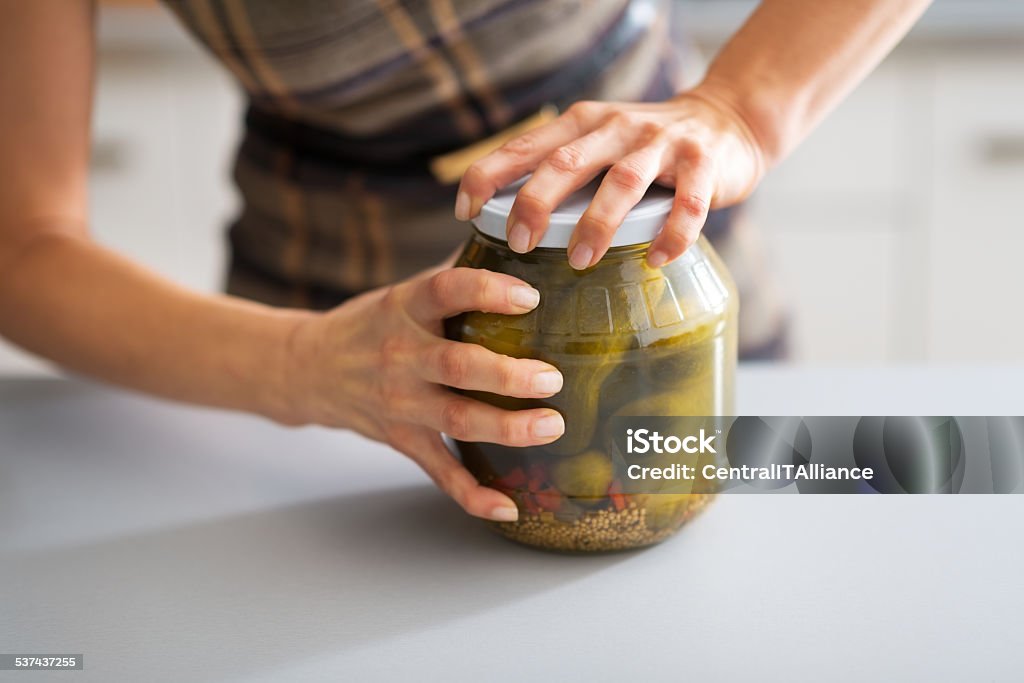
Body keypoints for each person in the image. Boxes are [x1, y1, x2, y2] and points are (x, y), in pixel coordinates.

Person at [0, 0, 930, 523]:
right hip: (312, 319)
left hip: (650, 235)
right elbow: (22, 247)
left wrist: (740, 110)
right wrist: (301, 364)